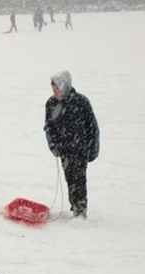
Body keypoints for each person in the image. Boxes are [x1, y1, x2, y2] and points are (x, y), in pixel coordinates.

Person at [44, 71, 100, 218]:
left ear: (64, 85)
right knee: (69, 178)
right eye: (53, 88)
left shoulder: (81, 102)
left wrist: (93, 150)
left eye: (56, 87)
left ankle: (80, 211)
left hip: (80, 150)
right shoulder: (51, 104)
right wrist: (54, 146)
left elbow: (92, 128)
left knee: (79, 180)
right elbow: (49, 128)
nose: (54, 91)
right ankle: (73, 205)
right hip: (64, 151)